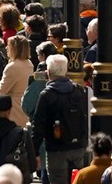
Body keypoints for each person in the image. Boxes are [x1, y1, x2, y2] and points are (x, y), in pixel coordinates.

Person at [30, 54, 89, 184]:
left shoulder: (47, 95)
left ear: (48, 72)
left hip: (56, 148)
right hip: (78, 146)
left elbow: (38, 125)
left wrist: (34, 151)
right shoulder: (78, 90)